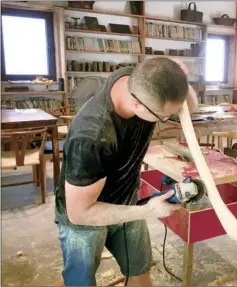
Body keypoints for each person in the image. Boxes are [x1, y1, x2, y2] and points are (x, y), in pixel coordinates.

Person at [54, 57, 198, 286]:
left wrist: (181, 80)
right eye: (163, 117)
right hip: (85, 215)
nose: (166, 120)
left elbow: (189, 109)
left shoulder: (138, 77)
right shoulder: (92, 137)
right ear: (138, 104)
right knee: (80, 282)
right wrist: (149, 210)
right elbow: (79, 213)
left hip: (127, 200)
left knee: (140, 271)